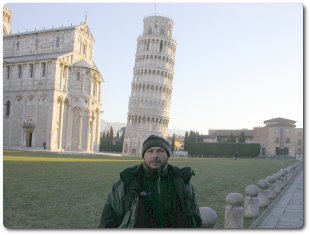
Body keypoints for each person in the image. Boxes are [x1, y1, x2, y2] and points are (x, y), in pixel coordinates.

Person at [99, 135, 202, 228]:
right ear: (143, 155)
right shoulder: (128, 181)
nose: (155, 155)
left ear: (167, 155)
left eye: (160, 151)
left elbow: (194, 216)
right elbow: (109, 218)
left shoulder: (181, 181)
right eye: (150, 151)